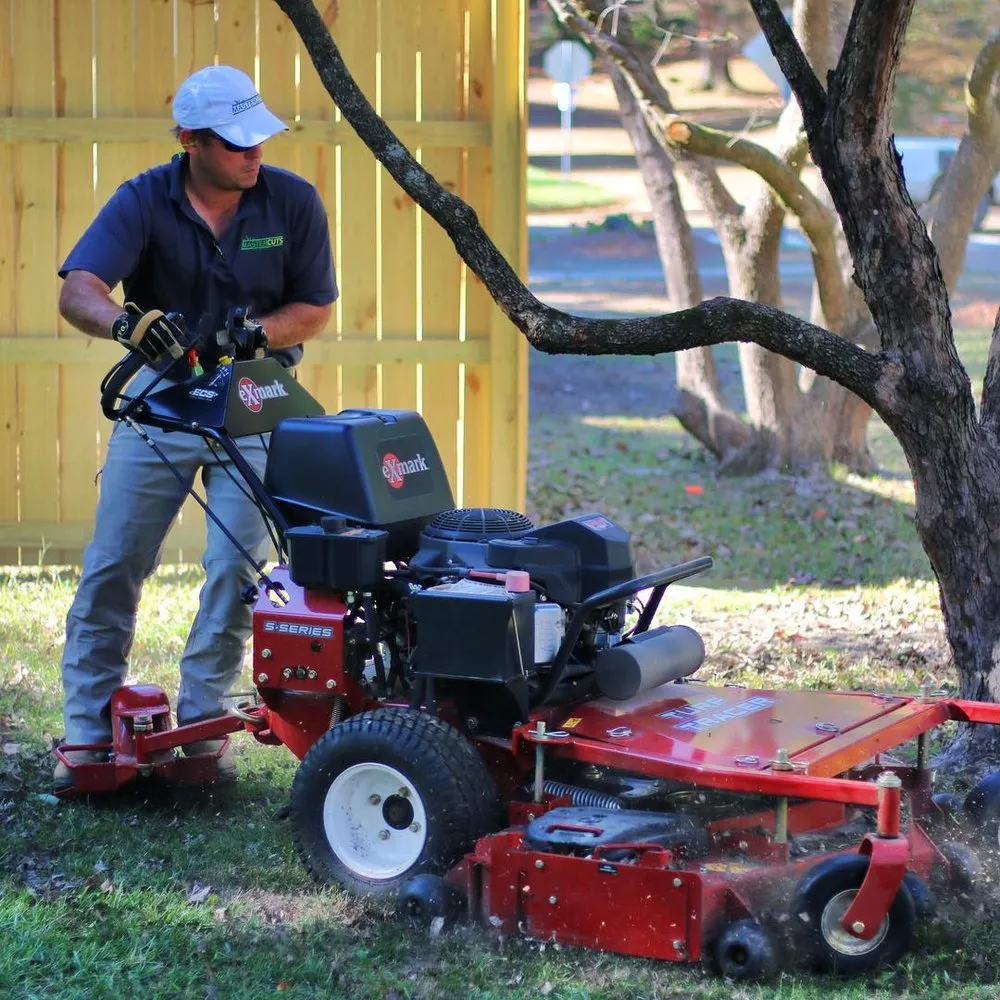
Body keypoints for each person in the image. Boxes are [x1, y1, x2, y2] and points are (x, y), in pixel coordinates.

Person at [54, 65, 337, 790]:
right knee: (116, 561)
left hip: (256, 392)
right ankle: (88, 732)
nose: (254, 154)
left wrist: (254, 335)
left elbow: (313, 308)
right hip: (162, 394)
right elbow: (78, 290)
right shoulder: (144, 199)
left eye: (258, 140)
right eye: (237, 143)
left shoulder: (292, 202)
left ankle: (202, 729)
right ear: (191, 141)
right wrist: (126, 322)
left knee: (235, 571)